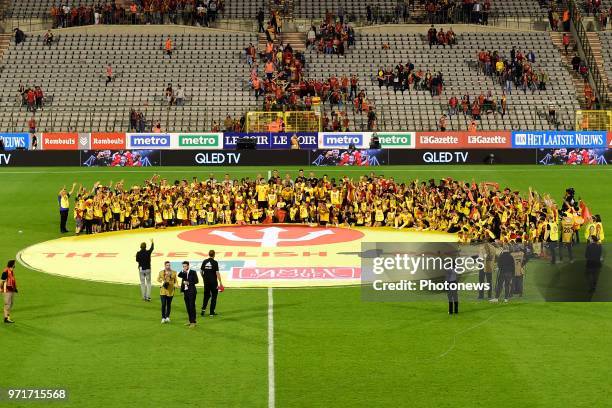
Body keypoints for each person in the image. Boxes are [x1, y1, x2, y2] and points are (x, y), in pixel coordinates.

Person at [200, 250, 223, 317]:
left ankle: (203, 310)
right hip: (213, 283)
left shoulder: (204, 261)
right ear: (214, 255)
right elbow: (217, 273)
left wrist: (203, 278)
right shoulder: (215, 262)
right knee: (214, 297)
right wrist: (220, 282)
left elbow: (201, 271)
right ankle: (211, 313)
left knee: (206, 296)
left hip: (206, 282)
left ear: (208, 254)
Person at [178, 261, 198, 327]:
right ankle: (190, 321)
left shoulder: (193, 272)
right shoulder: (183, 273)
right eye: (183, 266)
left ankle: (193, 322)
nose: (184, 267)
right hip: (185, 292)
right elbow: (179, 275)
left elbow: (196, 281)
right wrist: (183, 270)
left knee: (192, 306)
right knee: (187, 307)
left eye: (185, 266)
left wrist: (188, 283)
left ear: (188, 266)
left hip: (192, 291)